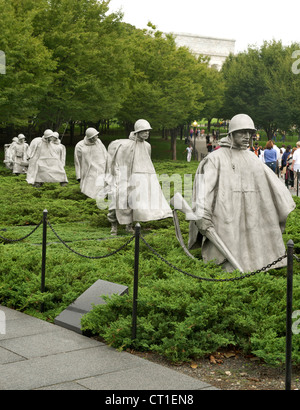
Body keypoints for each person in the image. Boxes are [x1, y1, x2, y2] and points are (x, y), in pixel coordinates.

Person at [187, 113, 295, 273]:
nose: (247, 137)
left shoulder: (252, 158)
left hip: (251, 216)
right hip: (226, 217)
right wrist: (202, 213)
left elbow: (271, 188)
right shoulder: (215, 159)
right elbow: (205, 191)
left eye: (249, 133)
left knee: (251, 247)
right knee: (229, 247)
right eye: (241, 132)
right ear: (231, 134)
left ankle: (258, 264)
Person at [104, 119, 172, 235]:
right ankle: (114, 225)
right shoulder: (125, 145)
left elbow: (147, 163)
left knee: (134, 203)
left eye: (148, 131)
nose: (146, 133)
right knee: (117, 202)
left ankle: (129, 226)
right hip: (125, 177)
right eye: (144, 131)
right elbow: (119, 162)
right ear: (137, 131)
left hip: (140, 179)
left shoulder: (147, 146)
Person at [74, 128, 108, 199]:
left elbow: (105, 153)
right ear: (91, 138)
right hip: (89, 171)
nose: (97, 136)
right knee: (90, 188)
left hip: (101, 168)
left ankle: (98, 201)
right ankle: (91, 200)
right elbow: (77, 161)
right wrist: (78, 176)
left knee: (100, 187)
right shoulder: (80, 146)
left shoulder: (99, 142)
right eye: (96, 135)